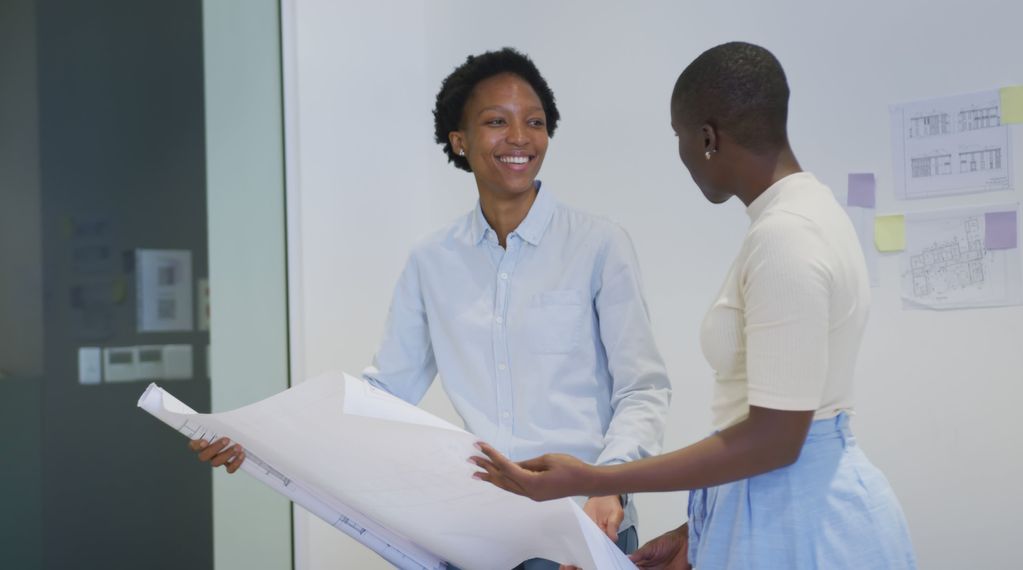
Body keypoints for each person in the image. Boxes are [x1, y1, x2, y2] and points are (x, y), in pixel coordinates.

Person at [190, 47, 672, 569]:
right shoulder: (432, 260)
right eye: (496, 121)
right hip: (481, 533)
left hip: (585, 522)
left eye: (534, 122)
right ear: (459, 141)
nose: (519, 138)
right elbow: (382, 395)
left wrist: (612, 484)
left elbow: (642, 388)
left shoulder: (600, 245)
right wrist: (259, 444)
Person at [473, 42, 917, 569]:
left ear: (707, 138)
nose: (682, 153)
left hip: (807, 526)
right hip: (776, 505)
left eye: (679, 137)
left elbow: (775, 440)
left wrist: (595, 478)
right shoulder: (802, 213)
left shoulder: (786, 238)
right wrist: (698, 531)